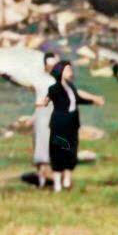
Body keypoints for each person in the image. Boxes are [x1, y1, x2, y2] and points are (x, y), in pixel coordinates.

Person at [46, 60, 103, 192]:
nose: (71, 72)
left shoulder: (71, 86)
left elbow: (76, 99)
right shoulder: (54, 88)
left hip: (72, 125)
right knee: (58, 151)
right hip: (59, 125)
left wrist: (93, 101)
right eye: (68, 70)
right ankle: (57, 183)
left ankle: (67, 180)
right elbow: (56, 99)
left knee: (71, 151)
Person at [32, 51, 58, 188]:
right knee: (41, 144)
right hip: (42, 114)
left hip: (52, 114)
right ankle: (42, 179)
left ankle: (51, 178)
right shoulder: (40, 79)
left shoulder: (57, 80)